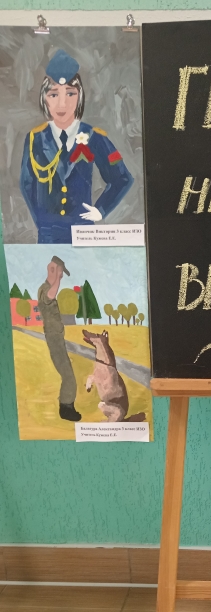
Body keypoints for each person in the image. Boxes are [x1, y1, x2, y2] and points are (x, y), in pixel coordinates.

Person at [20, 49, 133, 244]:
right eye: (54, 95)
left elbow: (122, 177)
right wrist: (42, 221)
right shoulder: (35, 139)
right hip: (48, 235)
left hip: (83, 234)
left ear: (79, 96)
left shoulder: (94, 137)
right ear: (44, 98)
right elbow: (27, 184)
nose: (62, 103)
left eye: (70, 94)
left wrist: (101, 210)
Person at [37, 256, 81, 422]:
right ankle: (66, 409)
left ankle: (67, 407)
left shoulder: (47, 288)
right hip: (54, 338)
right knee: (68, 376)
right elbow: (49, 296)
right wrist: (56, 277)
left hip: (57, 337)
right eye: (60, 271)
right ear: (53, 269)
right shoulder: (45, 289)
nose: (61, 275)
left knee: (68, 373)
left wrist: (56, 276)